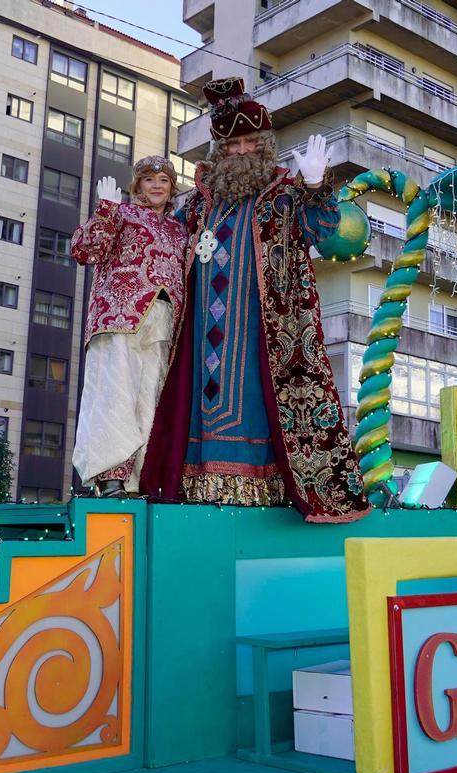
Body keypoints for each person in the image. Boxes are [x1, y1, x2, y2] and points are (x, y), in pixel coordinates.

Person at [141, 77, 369, 523]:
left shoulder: (284, 193)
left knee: (257, 399)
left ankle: (264, 486)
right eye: (231, 144)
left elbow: (320, 230)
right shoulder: (197, 205)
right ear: (218, 150)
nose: (241, 151)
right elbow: (161, 240)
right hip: (197, 335)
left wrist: (318, 185)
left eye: (249, 142)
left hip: (265, 331)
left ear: (263, 144)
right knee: (197, 400)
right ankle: (196, 483)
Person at [70, 156, 187, 496]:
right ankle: (110, 476)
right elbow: (85, 250)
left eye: (163, 180)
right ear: (137, 186)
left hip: (163, 320)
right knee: (115, 394)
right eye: (149, 180)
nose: (156, 185)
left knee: (152, 397)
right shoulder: (121, 214)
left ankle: (141, 478)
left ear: (171, 187)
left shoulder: (179, 228)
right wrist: (105, 210)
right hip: (119, 315)